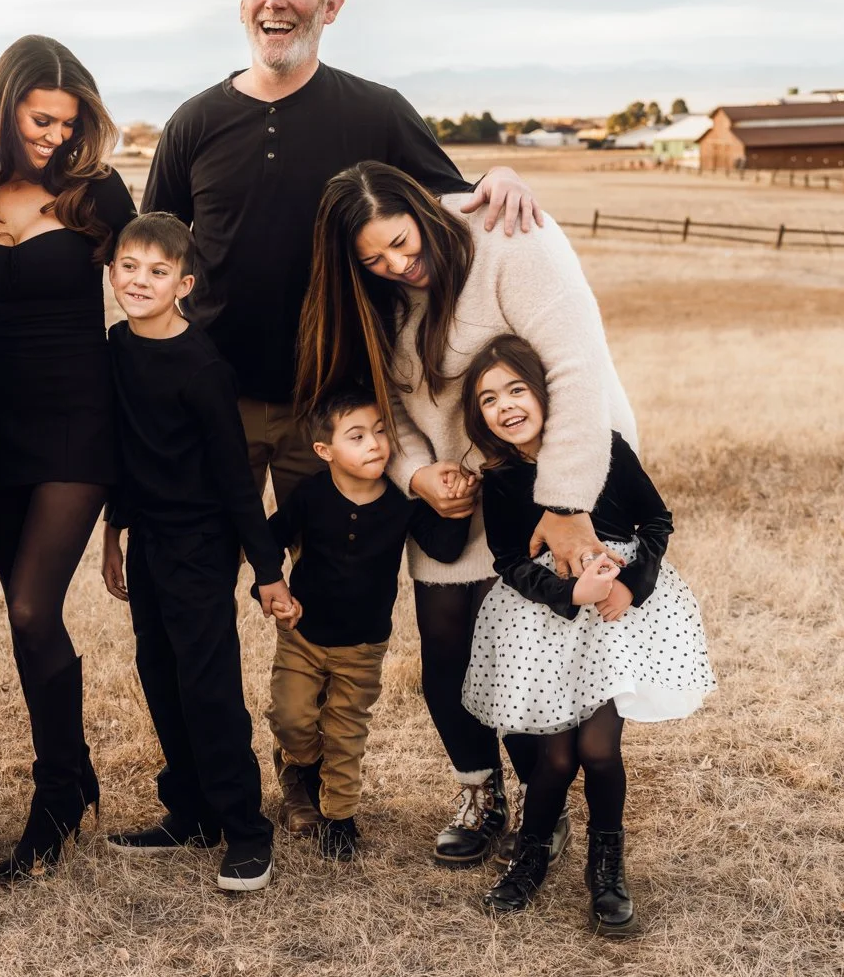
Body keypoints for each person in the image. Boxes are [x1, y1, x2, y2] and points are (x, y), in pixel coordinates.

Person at [297, 159, 634, 869]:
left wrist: (569, 504)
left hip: (543, 482)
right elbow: (388, 401)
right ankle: (480, 792)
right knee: (445, 651)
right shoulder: (377, 296)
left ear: (423, 207)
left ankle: (547, 802)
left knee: (524, 653)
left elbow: (576, 369)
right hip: (449, 500)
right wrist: (416, 472)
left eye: (403, 241)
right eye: (376, 258)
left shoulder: (509, 240)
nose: (398, 263)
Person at [144, 0, 541, 507]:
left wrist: (497, 179)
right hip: (217, 391)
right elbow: (154, 250)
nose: (276, 1)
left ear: (331, 6)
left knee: (334, 582)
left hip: (340, 401)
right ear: (242, 4)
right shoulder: (193, 122)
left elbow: (448, 203)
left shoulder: (378, 112)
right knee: (200, 569)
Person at [0, 35, 134, 882]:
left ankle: (57, 788)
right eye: (40, 117)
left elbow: (151, 285)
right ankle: (74, 772)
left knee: (29, 607)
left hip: (79, 422)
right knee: (24, 612)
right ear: (4, 106)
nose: (56, 134)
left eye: (69, 120)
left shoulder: (97, 193)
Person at [460, 335, 714, 934]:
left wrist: (632, 587)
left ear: (547, 393)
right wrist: (567, 594)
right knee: (553, 757)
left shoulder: (605, 449)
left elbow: (657, 519)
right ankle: (530, 856)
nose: (506, 405)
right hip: (546, 623)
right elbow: (508, 560)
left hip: (615, 619)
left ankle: (607, 869)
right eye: (490, 398)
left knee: (597, 749)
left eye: (517, 389)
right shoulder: (500, 478)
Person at [99, 213, 289, 893]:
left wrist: (267, 570)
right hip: (148, 538)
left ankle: (245, 829)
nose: (139, 281)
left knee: (208, 687)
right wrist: (114, 532)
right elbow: (124, 451)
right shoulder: (118, 346)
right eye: (128, 267)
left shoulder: (203, 365)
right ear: (113, 270)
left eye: (157, 271)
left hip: (202, 547)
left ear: (183, 282)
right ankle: (190, 812)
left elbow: (236, 478)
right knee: (160, 673)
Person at [264, 386, 467, 860]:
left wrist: (457, 508)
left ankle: (339, 816)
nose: (374, 443)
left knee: (345, 732)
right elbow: (269, 539)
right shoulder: (310, 495)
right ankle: (303, 766)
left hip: (363, 644)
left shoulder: (402, 500)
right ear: (325, 451)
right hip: (303, 636)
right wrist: (270, 585)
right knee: (291, 719)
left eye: (380, 431)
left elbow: (443, 547)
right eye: (356, 436)